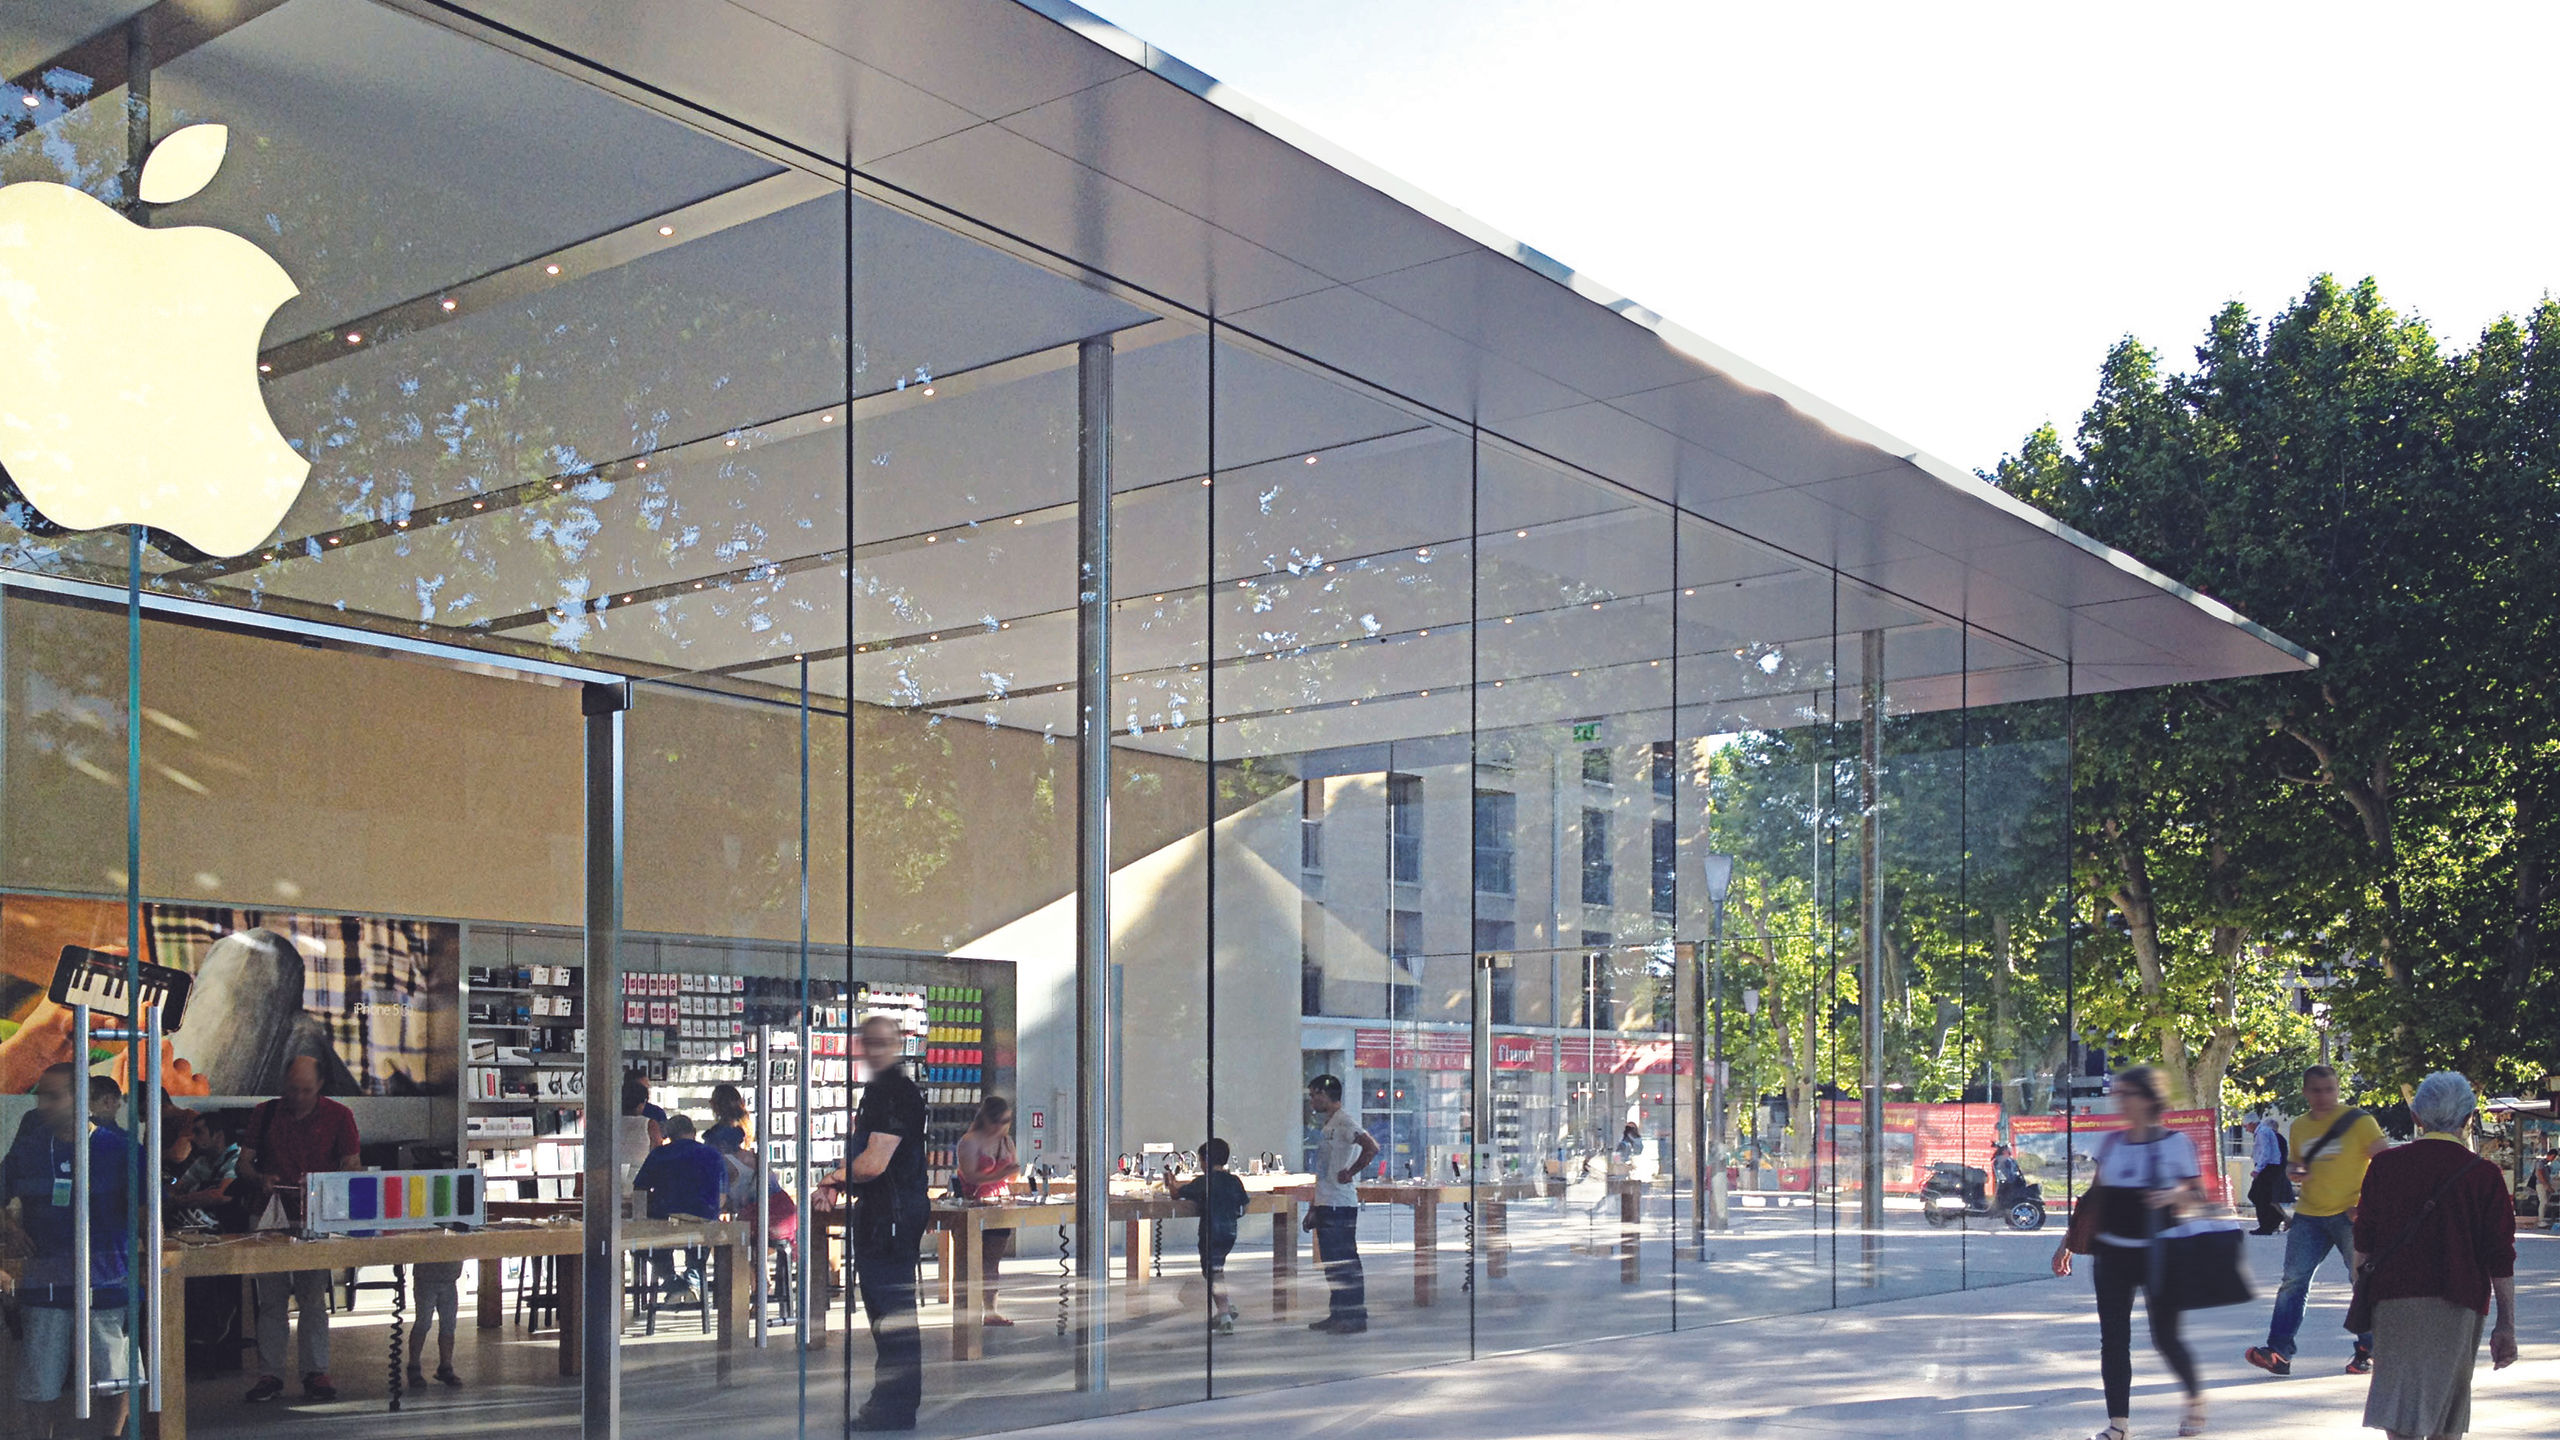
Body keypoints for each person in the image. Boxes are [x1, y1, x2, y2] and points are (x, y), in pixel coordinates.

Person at [2351, 1071, 2516, 1440]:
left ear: (2416, 1117)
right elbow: (2500, 1256)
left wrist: (2361, 1293)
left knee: (2401, 1413)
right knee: (2446, 1414)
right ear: (2469, 1119)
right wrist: (2506, 1324)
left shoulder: (2385, 1166)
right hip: (2458, 1303)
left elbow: (2363, 1241)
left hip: (2393, 1302)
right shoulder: (2485, 1176)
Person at [2050, 1066, 2206, 1440]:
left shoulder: (2175, 1143)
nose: (2120, 1100)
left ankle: (2195, 1401)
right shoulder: (2113, 1143)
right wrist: (2067, 1242)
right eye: (2118, 1094)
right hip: (2113, 1255)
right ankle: (2118, 1424)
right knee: (2114, 1341)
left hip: (2161, 1253)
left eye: (2127, 1094)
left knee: (2165, 1337)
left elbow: (2196, 1196)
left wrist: (2170, 1195)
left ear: (2150, 1099)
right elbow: (2094, 1199)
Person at [0, 1066, 134, 1439]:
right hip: (46, 1284)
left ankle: (113, 1435)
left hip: (107, 1279)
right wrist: (10, 1226)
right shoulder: (30, 1147)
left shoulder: (119, 1148)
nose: (44, 1103)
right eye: (41, 1095)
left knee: (114, 1375)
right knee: (39, 1380)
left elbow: (148, 1210)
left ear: (79, 1098)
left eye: (54, 1095)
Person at [2246, 1063, 2388, 1378]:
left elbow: (2387, 1164)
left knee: (2361, 1283)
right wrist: (2295, 1171)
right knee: (2293, 1283)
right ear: (2305, 1092)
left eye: (2330, 1090)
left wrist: (2367, 1205)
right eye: (2316, 1090)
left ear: (2338, 1090)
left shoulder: (2360, 1122)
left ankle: (2370, 1349)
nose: (2323, 1096)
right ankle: (2279, 1352)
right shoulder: (2299, 1126)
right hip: (2310, 1214)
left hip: (2351, 1213)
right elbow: (2295, 1164)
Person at [237, 1055, 360, 1404]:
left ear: (320, 1086)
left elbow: (353, 1166)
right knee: (272, 1301)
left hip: (315, 1219)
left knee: (312, 1299)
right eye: (292, 1090)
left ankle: (315, 1371)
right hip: (269, 1216)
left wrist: (327, 1187)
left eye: (306, 1090)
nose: (299, 1097)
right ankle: (270, 1374)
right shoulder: (265, 1113)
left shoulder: (340, 1116)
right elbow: (242, 1162)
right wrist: (261, 1179)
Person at [843, 1014, 927, 1432]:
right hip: (883, 1213)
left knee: (892, 1312)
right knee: (884, 1311)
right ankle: (891, 1401)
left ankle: (894, 1405)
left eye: (881, 1042)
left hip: (891, 1217)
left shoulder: (894, 1093)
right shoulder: (881, 1091)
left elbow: (874, 1163)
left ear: (898, 1044)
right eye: (867, 1041)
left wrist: (834, 1177)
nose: (873, 1049)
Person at [1303, 1073, 1377, 1336]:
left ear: (1325, 1095)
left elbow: (1371, 1147)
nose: (1311, 1099)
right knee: (1333, 1263)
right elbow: (1323, 1170)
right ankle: (1338, 1314)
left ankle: (1355, 1316)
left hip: (1339, 1204)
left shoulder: (1345, 1121)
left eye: (1314, 1094)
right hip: (1326, 1202)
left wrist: (1352, 1171)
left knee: (1345, 1262)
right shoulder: (1329, 1125)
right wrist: (1314, 1205)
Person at [633, 1113, 725, 1303]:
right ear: (693, 1132)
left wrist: (638, 1220)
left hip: (667, 1222)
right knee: (699, 1240)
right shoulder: (713, 1155)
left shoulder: (659, 1154)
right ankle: (693, 1279)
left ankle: (670, 1279)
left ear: (669, 1135)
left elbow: (639, 1188)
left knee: (647, 1242)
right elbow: (721, 1197)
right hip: (703, 1223)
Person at [1167, 1137, 1248, 1334]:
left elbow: (1177, 1194)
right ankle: (1226, 1306)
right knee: (1216, 1269)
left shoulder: (1203, 1182)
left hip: (1210, 1231)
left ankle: (1224, 1314)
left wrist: (1171, 1182)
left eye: (1201, 1160)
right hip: (1229, 1231)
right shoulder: (1234, 1180)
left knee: (1212, 1272)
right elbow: (1244, 1205)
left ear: (1205, 1160)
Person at [951, 1095, 1019, 1329]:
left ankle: (990, 1309)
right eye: (999, 1121)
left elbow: (1014, 1173)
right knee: (969, 1260)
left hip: (999, 1204)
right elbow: (970, 1175)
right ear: (987, 1121)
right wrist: (1001, 1173)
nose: (1003, 1127)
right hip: (974, 1204)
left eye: (1007, 1121)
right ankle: (966, 1310)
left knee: (992, 1261)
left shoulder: (1006, 1141)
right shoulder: (970, 1141)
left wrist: (1009, 1172)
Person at [166, 1109, 243, 1231]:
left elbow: (222, 1195)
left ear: (218, 1136)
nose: (192, 1138)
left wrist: (180, 1200)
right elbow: (177, 1188)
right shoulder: (203, 1161)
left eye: (198, 1133)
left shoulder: (238, 1159)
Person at [404, 1261, 463, 1389]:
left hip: (449, 1279)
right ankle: (413, 1366)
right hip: (426, 1279)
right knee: (423, 1323)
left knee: (448, 1324)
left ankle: (446, 1366)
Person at [2247, 1109, 2294, 1235]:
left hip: (2270, 1169)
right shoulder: (2269, 1134)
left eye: (2246, 1126)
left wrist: (2258, 1169)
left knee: (2261, 1196)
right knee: (2267, 1198)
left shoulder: (2264, 1133)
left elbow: (2266, 1153)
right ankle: (2273, 1222)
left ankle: (2270, 1223)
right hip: (2274, 1169)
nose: (2246, 1130)